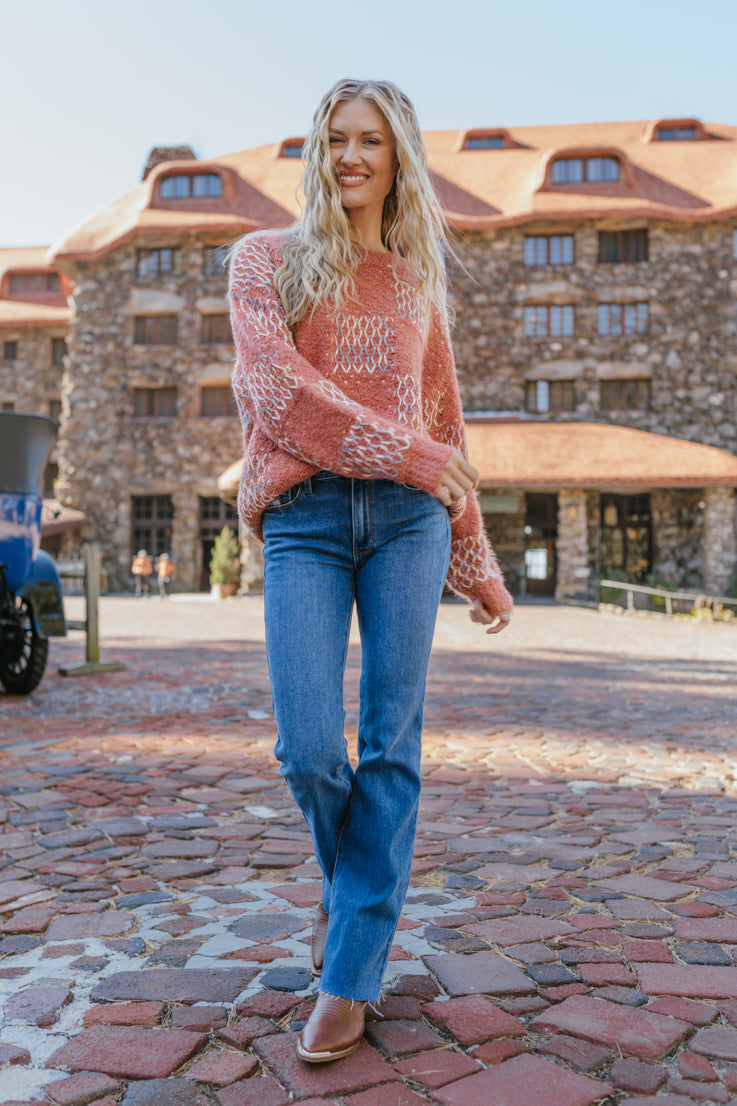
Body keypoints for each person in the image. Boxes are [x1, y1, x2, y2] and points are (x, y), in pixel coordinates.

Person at [228, 78, 513, 1064]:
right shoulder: (261, 259)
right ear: (316, 148)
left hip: (406, 523)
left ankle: (348, 968)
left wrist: (476, 561)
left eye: (371, 141)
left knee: (390, 740)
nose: (350, 156)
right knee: (307, 743)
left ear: (398, 157)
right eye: (335, 138)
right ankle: (353, 897)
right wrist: (414, 458)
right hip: (302, 517)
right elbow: (276, 392)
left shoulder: (417, 280)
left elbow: (443, 425)